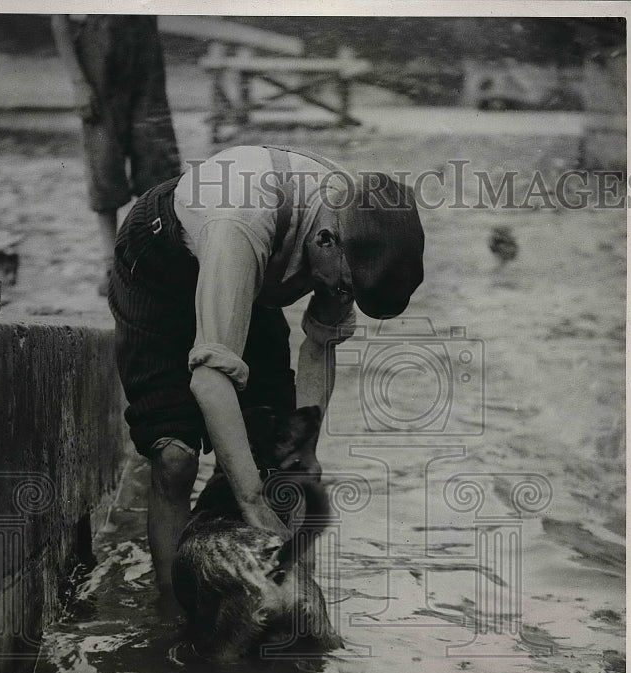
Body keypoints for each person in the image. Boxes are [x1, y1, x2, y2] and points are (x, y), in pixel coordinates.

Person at [109, 145, 424, 613]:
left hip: (252, 282)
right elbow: (210, 380)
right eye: (341, 289)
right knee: (175, 459)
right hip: (159, 264)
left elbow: (318, 345)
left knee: (281, 454)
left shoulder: (355, 227)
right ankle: (172, 619)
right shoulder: (242, 221)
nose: (339, 297)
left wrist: (306, 449)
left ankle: (257, 597)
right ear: (325, 241)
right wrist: (252, 502)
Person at [51, 14, 180, 295]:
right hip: (99, 58)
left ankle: (149, 259)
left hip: (145, 55)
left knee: (157, 160)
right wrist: (78, 83)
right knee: (104, 160)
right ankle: (111, 265)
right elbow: (58, 18)